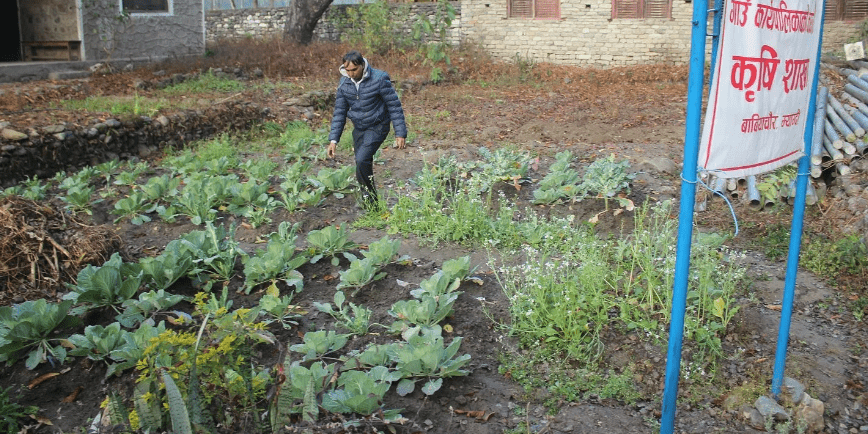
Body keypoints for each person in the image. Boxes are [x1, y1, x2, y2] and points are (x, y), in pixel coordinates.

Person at [327, 50, 407, 210]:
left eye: (354, 70)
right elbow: (339, 113)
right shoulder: (344, 83)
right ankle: (369, 200)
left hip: (378, 125)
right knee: (361, 164)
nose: (350, 74)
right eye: (347, 70)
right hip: (359, 128)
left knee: (362, 160)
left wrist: (400, 132)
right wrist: (333, 140)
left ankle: (371, 204)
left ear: (362, 65)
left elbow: (394, 105)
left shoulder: (379, 78)